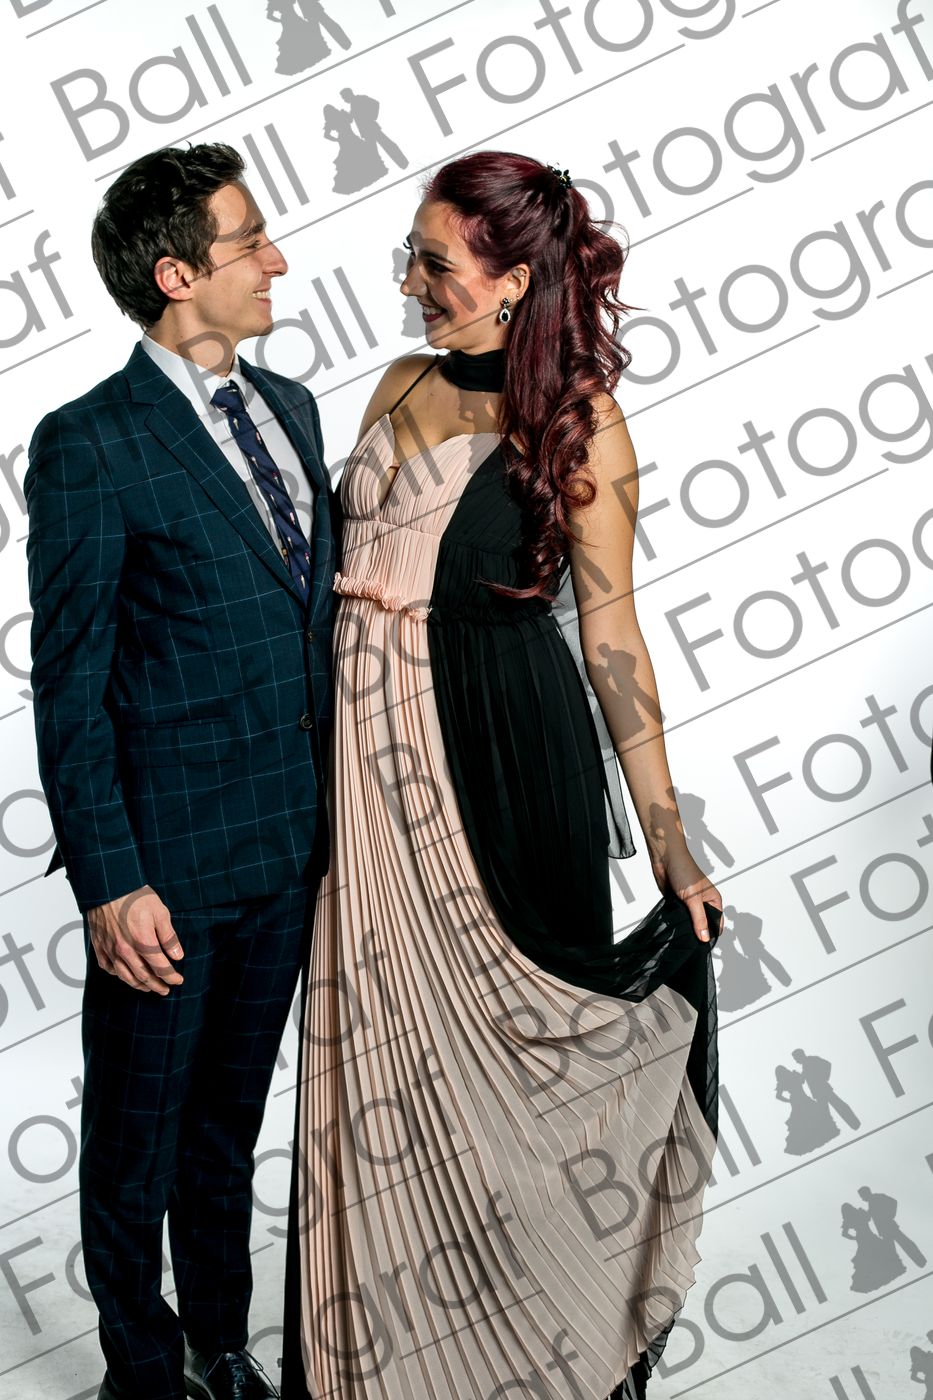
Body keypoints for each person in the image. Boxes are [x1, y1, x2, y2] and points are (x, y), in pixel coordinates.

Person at [280, 151, 724, 1400]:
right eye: (411, 257)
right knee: (374, 1054)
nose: (410, 283)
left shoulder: (582, 419)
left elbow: (614, 632)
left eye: (435, 263)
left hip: (503, 752)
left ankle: (541, 1353)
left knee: (524, 1060)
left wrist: (669, 834)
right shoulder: (398, 382)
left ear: (515, 278)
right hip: (364, 771)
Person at [24, 142, 340, 1400]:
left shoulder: (295, 408)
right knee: (136, 1139)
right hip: (164, 872)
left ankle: (222, 1341)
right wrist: (111, 881)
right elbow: (71, 682)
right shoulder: (89, 444)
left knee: (227, 1130)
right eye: (250, 241)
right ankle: (144, 1371)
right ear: (175, 274)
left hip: (290, 850)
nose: (277, 260)